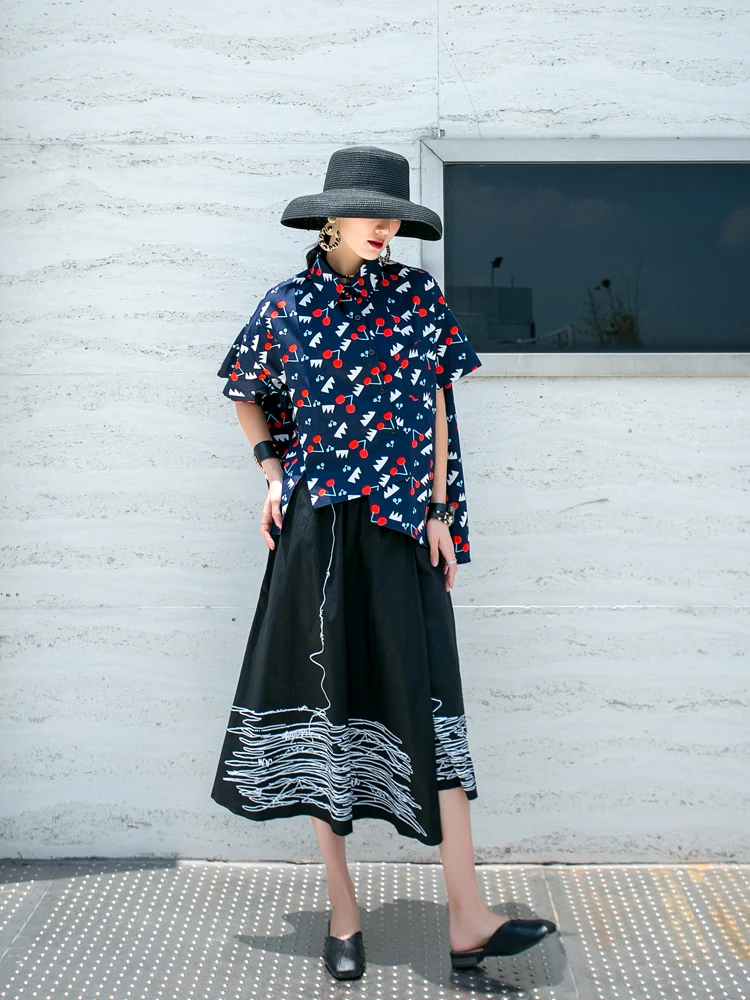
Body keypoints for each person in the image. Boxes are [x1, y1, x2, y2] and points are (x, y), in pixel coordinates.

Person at [211, 145, 557, 980]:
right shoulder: (286, 306)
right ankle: (343, 912)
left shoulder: (416, 297)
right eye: (371, 215)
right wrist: (272, 473)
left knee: (432, 705)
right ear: (330, 218)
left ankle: (468, 917)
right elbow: (245, 390)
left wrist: (440, 511)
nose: (385, 230)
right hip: (318, 534)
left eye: (394, 217)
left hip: (403, 526)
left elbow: (437, 407)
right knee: (323, 711)